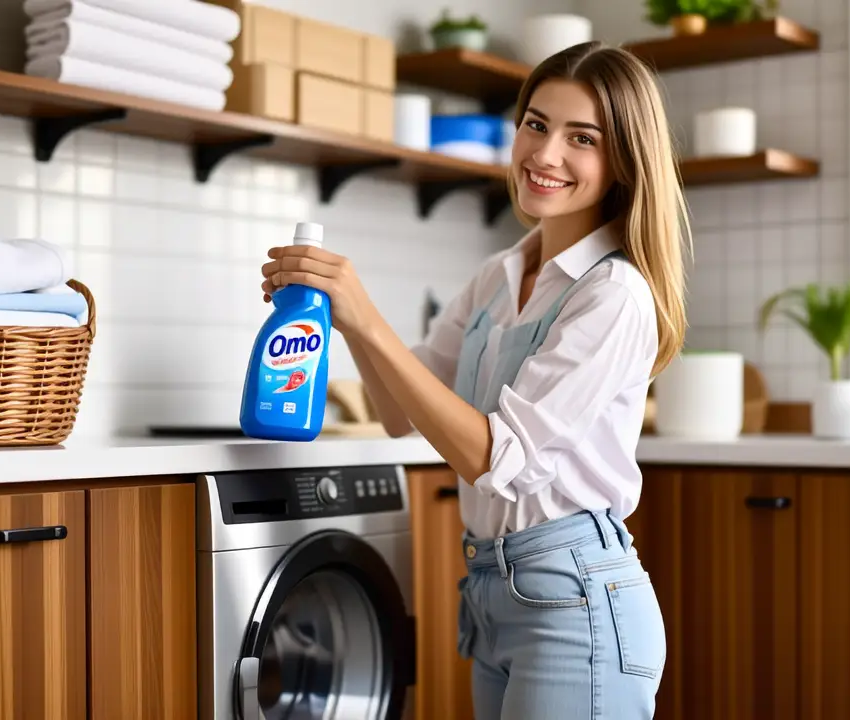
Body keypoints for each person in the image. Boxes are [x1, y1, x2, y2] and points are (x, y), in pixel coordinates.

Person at [259, 40, 689, 720]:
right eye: (536, 124)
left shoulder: (614, 295)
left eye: (582, 138)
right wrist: (339, 313)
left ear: (622, 164)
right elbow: (401, 410)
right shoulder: (499, 275)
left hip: (574, 599)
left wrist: (368, 317)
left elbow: (495, 457)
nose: (545, 155)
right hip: (494, 591)